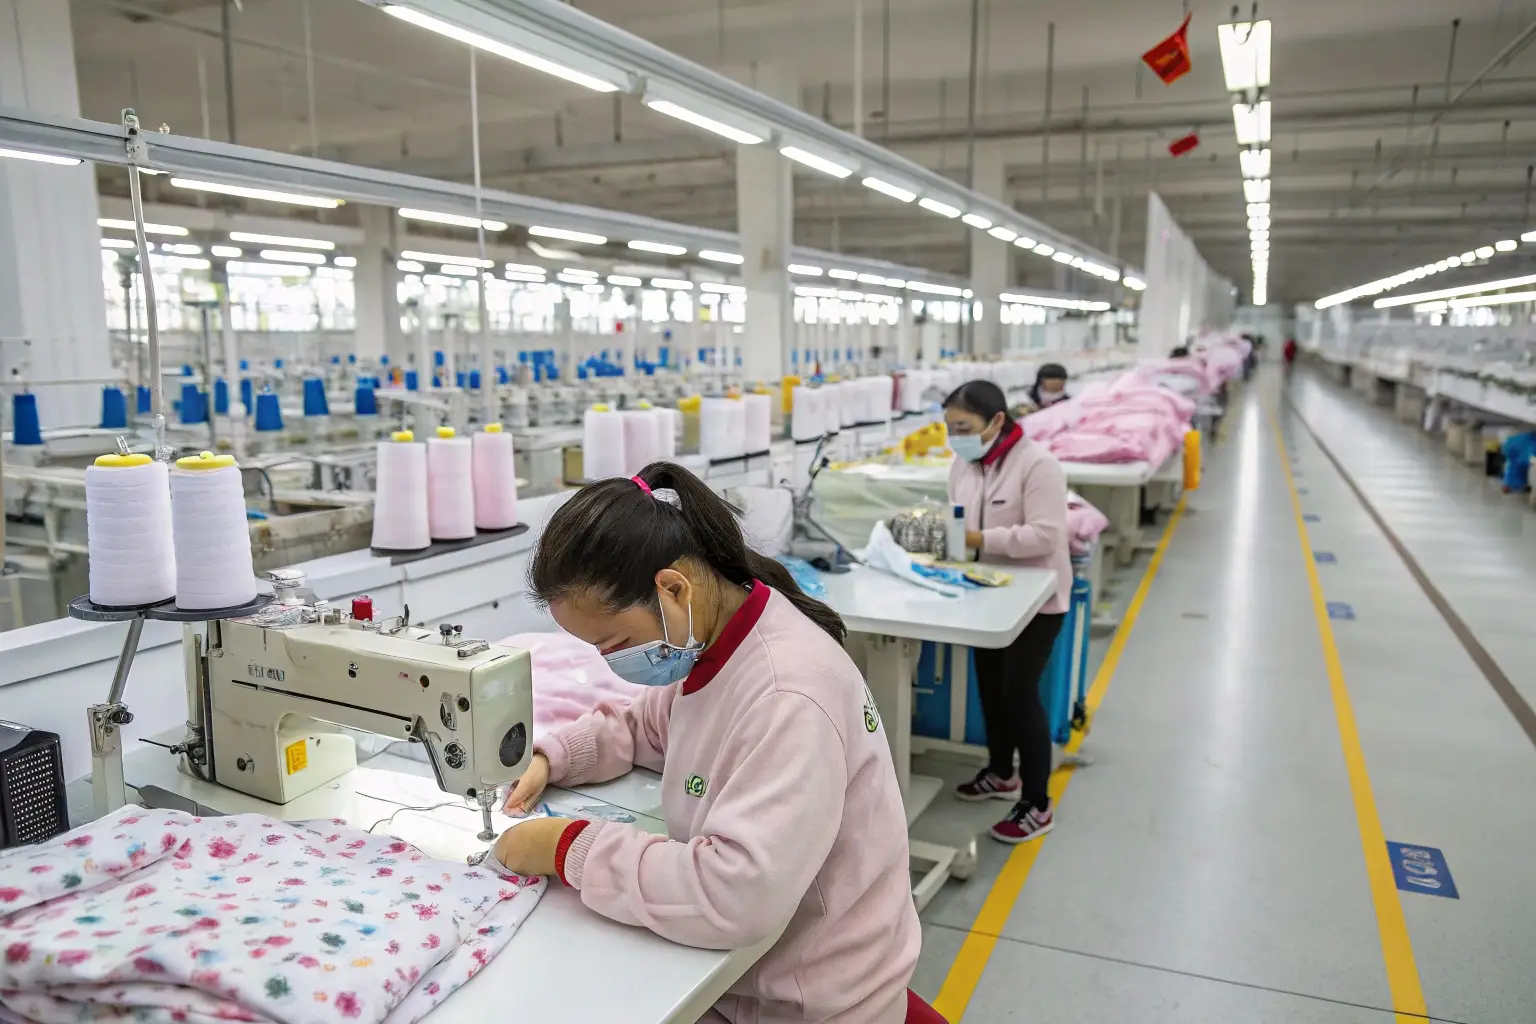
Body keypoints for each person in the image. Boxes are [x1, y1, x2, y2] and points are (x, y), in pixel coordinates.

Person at [484, 462, 920, 1024]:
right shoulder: (722, 641)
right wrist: (554, 756)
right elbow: (646, 727)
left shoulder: (787, 694)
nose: (611, 662)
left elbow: (736, 894)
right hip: (754, 977)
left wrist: (567, 847)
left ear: (673, 588)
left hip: (808, 1003)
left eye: (615, 642)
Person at [943, 380, 1071, 844]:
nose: (955, 437)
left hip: (1038, 599)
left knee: (1019, 694)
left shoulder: (1038, 466)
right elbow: (956, 521)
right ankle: (1001, 772)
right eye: (949, 427)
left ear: (997, 420)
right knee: (991, 690)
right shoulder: (963, 465)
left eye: (963, 427)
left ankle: (1037, 803)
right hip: (989, 593)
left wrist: (979, 539)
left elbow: (1047, 535)